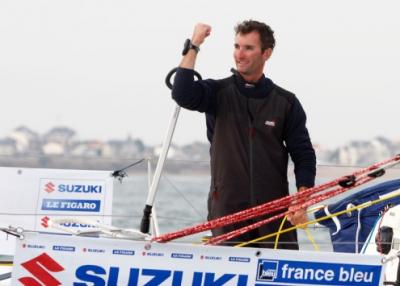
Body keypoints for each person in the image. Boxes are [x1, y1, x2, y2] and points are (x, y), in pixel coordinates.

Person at [172, 20, 316, 249]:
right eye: (237, 46)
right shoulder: (217, 92)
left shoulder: (286, 102)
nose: (240, 54)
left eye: (248, 48)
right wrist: (195, 44)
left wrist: (302, 198)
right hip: (227, 211)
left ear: (266, 53)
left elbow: (304, 155)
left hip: (274, 212)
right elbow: (181, 93)